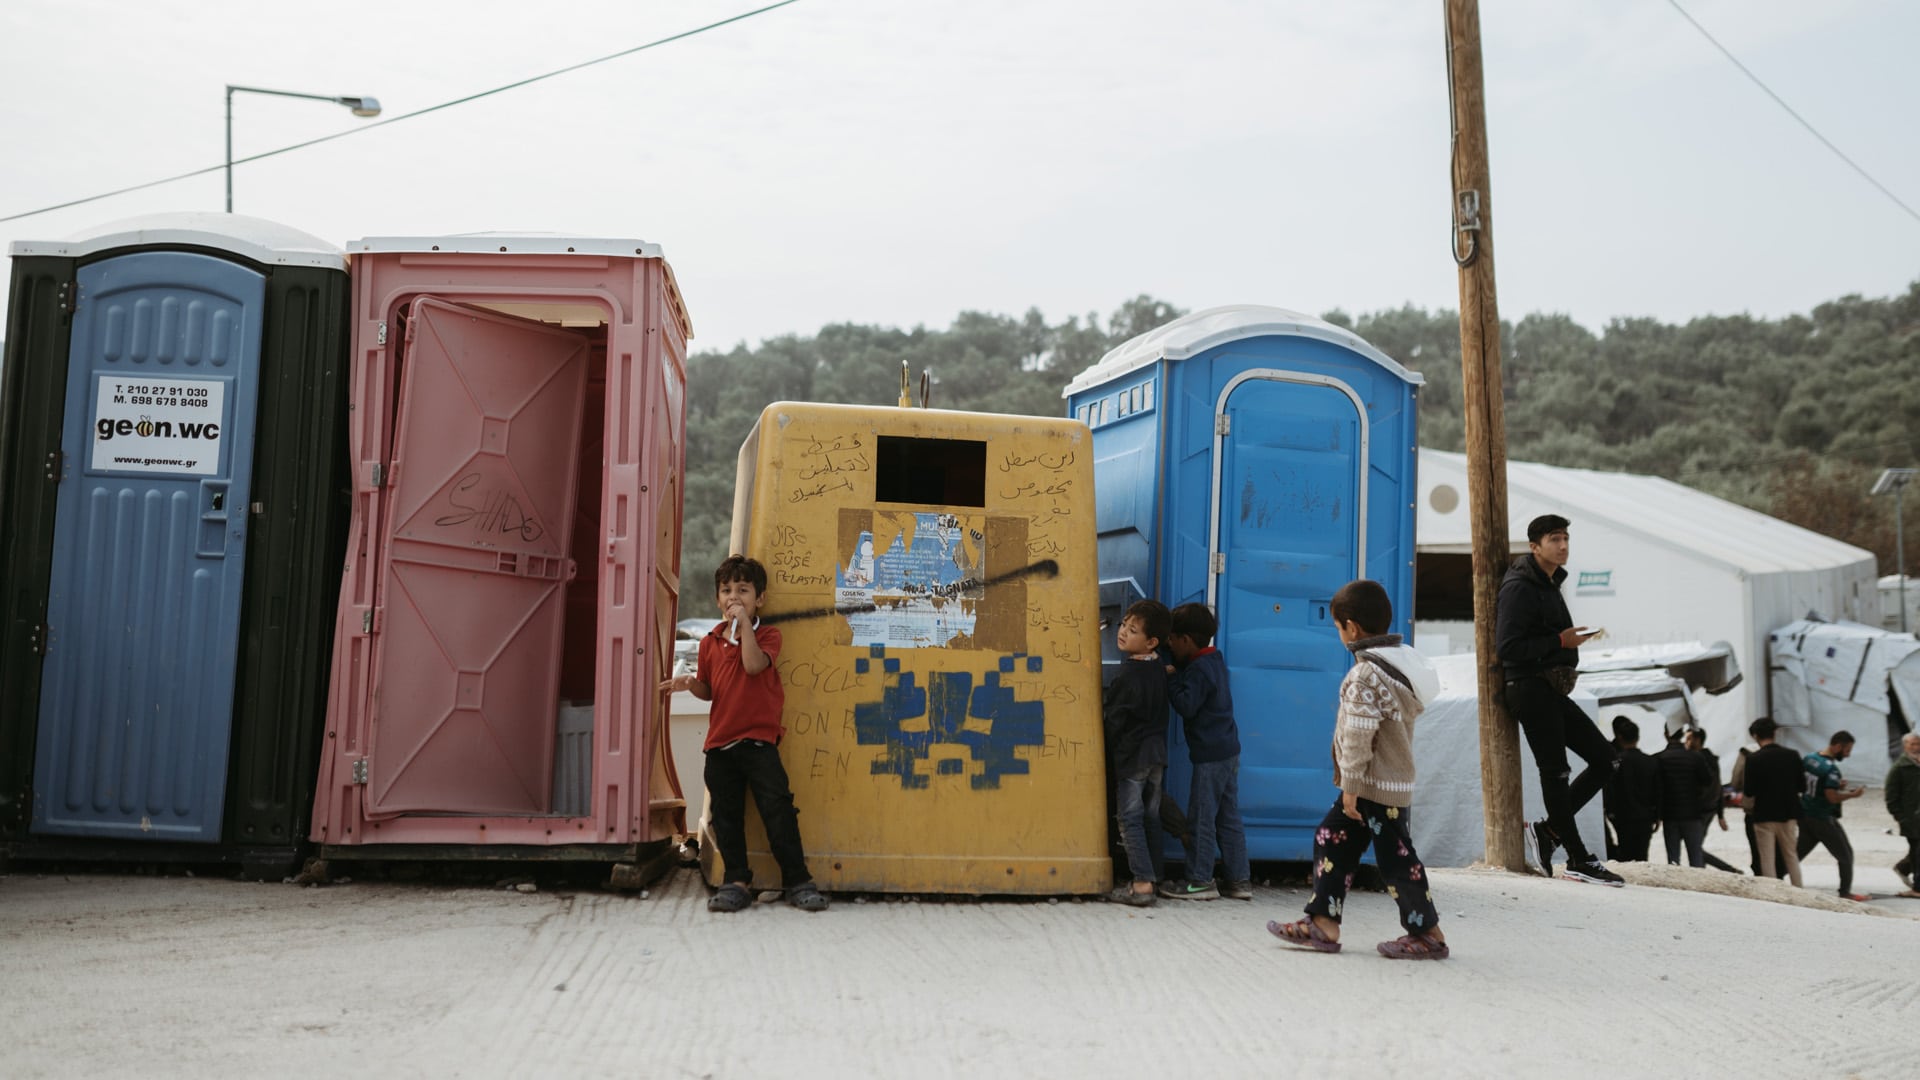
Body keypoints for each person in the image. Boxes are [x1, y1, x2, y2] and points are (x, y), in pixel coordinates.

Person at [1267, 580, 1448, 959]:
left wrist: (1350, 785)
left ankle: (1428, 933)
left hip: (1371, 785)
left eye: (1336, 627)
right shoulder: (1400, 666)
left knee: (1397, 860)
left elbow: (1359, 734)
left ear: (1351, 627)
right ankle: (1322, 923)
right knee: (1332, 839)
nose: (1339, 633)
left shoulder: (1365, 675)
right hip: (1381, 782)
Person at [661, 555, 829, 913]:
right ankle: (737, 881)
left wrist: (745, 629)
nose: (734, 597)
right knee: (727, 815)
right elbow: (710, 690)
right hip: (721, 745)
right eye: (726, 591)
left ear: (759, 599)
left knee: (778, 809)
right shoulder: (709, 642)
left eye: (743, 590)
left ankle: (797, 879)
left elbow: (753, 666)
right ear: (717, 599)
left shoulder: (768, 634)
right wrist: (690, 683)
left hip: (759, 743)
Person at [1496, 514, 1623, 886]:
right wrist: (1560, 642)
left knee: (1607, 760)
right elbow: (1508, 647)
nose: (1563, 546)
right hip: (1529, 687)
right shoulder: (1520, 585)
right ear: (1535, 546)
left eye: (1566, 538)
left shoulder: (1549, 582)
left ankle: (1548, 832)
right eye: (1555, 539)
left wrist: (1568, 640)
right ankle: (1578, 859)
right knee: (1556, 772)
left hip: (1548, 689)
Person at [1158, 603, 1252, 901]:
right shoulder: (1214, 660)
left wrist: (1171, 678)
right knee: (1228, 818)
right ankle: (1239, 881)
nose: (1169, 644)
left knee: (1201, 817)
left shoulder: (1196, 670)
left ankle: (1199, 881)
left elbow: (1187, 706)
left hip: (1211, 756)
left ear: (1185, 640)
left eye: (1172, 639)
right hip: (1229, 751)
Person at [1102, 599, 1173, 907]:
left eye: (1132, 630)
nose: (1122, 632)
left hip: (1133, 758)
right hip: (1157, 755)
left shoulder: (1126, 676)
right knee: (1151, 816)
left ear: (1151, 641)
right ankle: (1155, 874)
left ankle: (1142, 883)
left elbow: (1113, 723)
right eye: (1123, 626)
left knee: (1129, 818)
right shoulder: (1159, 667)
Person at [1796, 731, 1870, 902]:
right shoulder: (1831, 769)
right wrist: (1853, 795)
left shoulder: (1810, 758)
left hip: (1805, 812)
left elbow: (1810, 783)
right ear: (1837, 746)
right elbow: (1832, 797)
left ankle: (1775, 875)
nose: (1848, 754)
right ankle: (1845, 892)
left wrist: (1835, 785)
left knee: (1799, 852)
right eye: (1847, 750)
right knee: (1845, 855)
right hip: (1822, 817)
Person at [1740, 718, 1804, 887]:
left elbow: (1749, 791)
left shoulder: (1753, 759)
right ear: (1774, 733)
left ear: (1755, 736)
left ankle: (1773, 893)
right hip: (1788, 812)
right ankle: (1799, 889)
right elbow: (1802, 786)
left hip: (1764, 815)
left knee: (1767, 859)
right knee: (1791, 855)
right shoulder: (1792, 755)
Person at [1602, 716, 1661, 862]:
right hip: (1645, 816)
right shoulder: (1651, 762)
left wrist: (1610, 811)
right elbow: (1658, 790)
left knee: (1626, 852)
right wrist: (1658, 814)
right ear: (1638, 737)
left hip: (1623, 816)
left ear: (1619, 737)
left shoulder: (1616, 762)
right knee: (1642, 855)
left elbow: (1610, 789)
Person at [1656, 726, 1717, 868]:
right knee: (1696, 857)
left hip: (1670, 814)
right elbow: (1707, 781)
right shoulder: (1695, 757)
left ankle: (1676, 888)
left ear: (1666, 734)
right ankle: (1699, 888)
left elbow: (1657, 789)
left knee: (1673, 859)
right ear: (1682, 734)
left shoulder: (1660, 758)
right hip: (1692, 813)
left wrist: (1657, 814)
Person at [1686, 728, 1742, 874]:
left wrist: (1720, 814)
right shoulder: (1711, 759)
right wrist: (1720, 814)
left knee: (1695, 847)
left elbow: (1713, 787)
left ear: (1697, 740)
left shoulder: (1698, 759)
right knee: (1696, 846)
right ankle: (1704, 871)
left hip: (1700, 810)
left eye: (1689, 739)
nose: (1686, 743)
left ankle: (1727, 870)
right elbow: (1718, 787)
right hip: (1709, 808)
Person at [1885, 732, 1920, 898]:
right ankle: (1918, 888)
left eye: (1918, 744)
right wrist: (1901, 817)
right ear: (1905, 746)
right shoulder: (1900, 768)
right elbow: (1891, 796)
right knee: (1918, 852)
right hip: (1911, 819)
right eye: (1912, 744)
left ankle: (1904, 868)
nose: (1916, 748)